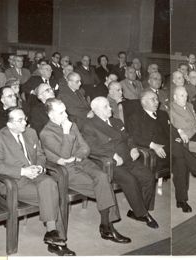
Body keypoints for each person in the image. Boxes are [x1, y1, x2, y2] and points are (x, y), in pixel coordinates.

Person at [39, 98, 131, 243]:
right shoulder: (46, 133)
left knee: (102, 177)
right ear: (51, 116)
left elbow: (86, 148)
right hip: (65, 170)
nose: (66, 116)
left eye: (65, 111)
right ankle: (108, 227)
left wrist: (76, 157)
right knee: (103, 187)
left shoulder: (72, 125)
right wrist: (66, 132)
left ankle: (106, 225)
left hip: (82, 162)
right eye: (61, 112)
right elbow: (64, 155)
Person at [0, 107, 75, 256]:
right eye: (20, 120)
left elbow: (41, 155)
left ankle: (52, 234)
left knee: (50, 184)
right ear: (10, 125)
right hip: (14, 182)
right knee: (52, 194)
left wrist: (40, 168)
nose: (25, 122)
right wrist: (23, 171)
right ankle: (56, 239)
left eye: (25, 118)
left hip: (36, 175)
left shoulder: (31, 133)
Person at [126, 90, 196, 213]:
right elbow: (134, 137)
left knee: (180, 160)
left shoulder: (163, 114)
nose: (156, 101)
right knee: (180, 153)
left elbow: (172, 129)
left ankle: (182, 200)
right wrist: (153, 145)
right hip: (153, 154)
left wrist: (179, 133)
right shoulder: (135, 117)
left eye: (156, 98)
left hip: (170, 150)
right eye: (152, 99)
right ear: (143, 102)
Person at [83, 97, 159, 228]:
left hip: (128, 159)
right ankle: (143, 214)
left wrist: (133, 148)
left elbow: (128, 138)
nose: (111, 109)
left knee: (148, 177)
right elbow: (91, 148)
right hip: (110, 164)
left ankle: (139, 210)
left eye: (109, 106)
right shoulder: (89, 126)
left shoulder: (116, 121)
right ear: (96, 110)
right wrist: (112, 155)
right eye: (106, 107)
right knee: (130, 180)